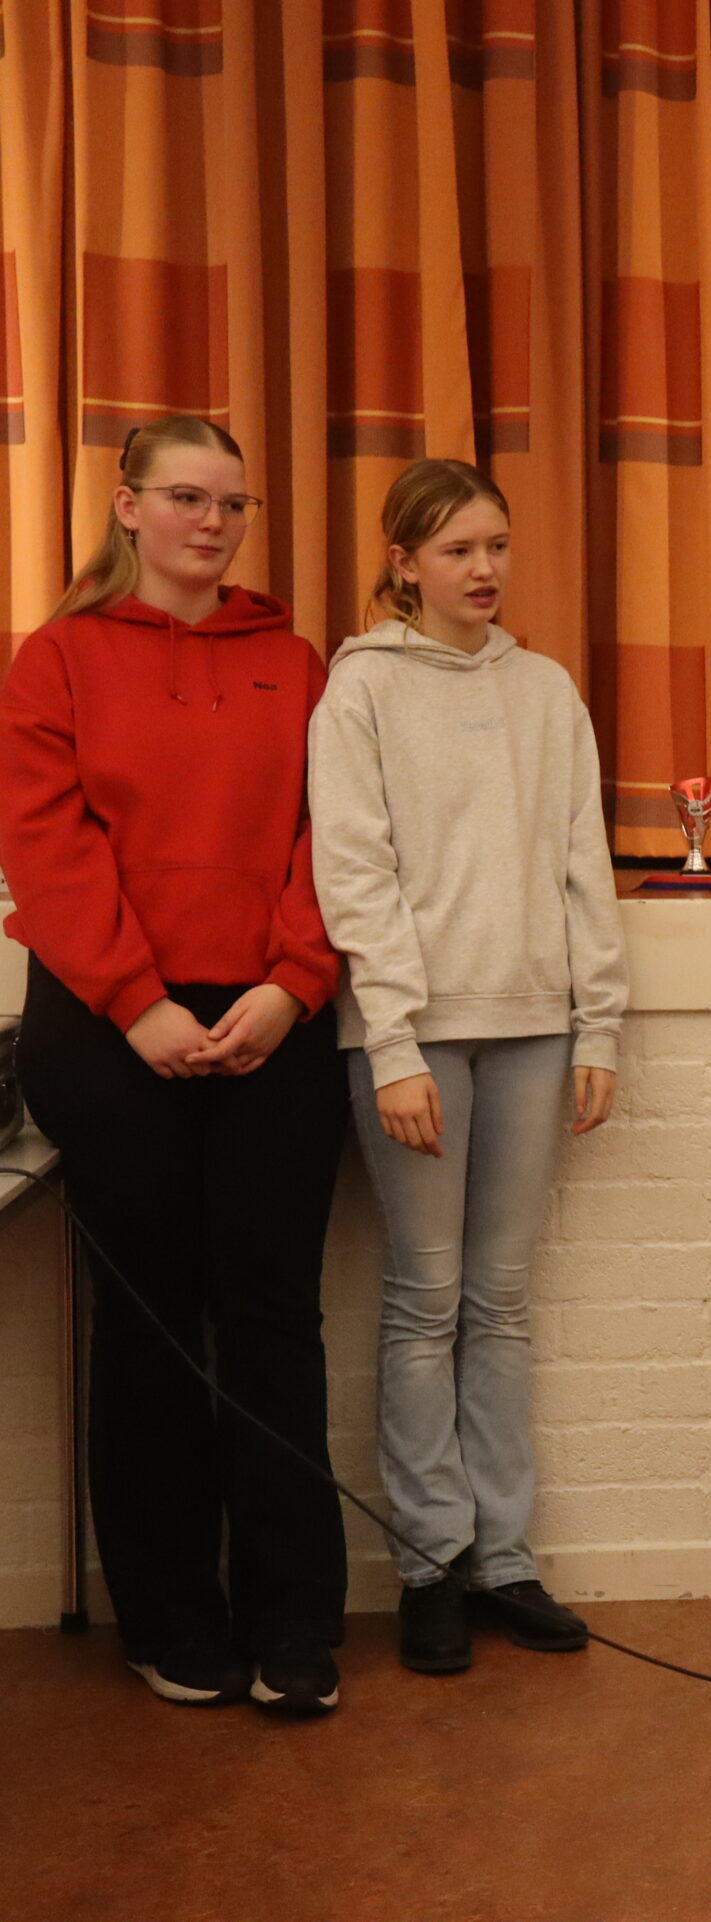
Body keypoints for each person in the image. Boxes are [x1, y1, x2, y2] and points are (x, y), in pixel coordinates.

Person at [0, 416, 349, 1715]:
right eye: (189, 497)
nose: (214, 522)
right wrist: (137, 1001)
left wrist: (293, 983)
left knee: (273, 1320)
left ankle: (294, 1621)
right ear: (130, 505)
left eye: (234, 503)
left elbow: (335, 834)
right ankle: (170, 1617)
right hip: (111, 1030)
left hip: (272, 1020)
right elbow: (47, 843)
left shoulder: (295, 662)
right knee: (148, 1328)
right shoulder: (57, 657)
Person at [307, 458, 627, 1677]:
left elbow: (581, 858)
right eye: (457, 550)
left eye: (496, 544)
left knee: (499, 1299)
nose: (484, 568)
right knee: (424, 1296)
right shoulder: (361, 691)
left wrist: (598, 1022)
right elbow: (356, 872)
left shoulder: (545, 690)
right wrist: (391, 1041)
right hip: (416, 1037)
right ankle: (429, 1561)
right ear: (403, 562)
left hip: (535, 1026)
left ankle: (504, 1556)